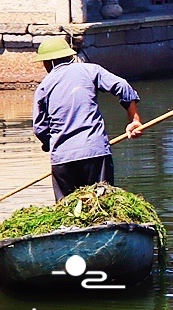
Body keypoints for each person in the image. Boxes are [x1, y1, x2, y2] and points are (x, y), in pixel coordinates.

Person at [33, 36, 144, 200]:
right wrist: (135, 120)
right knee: (102, 203)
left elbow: (39, 128)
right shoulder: (91, 70)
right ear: (70, 57)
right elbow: (122, 86)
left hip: (63, 158)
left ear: (47, 63)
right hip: (95, 151)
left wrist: (50, 144)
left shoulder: (43, 87)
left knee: (68, 209)